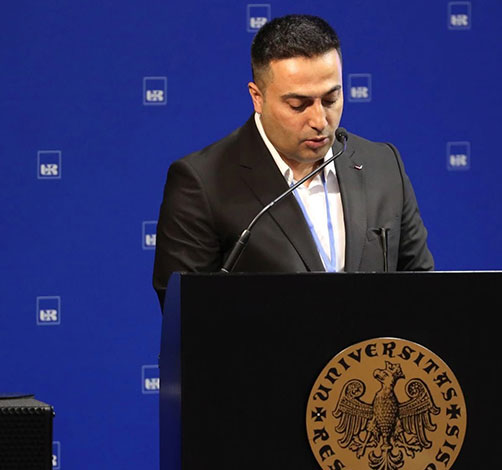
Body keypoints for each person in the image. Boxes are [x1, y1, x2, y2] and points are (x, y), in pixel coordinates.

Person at [152, 14, 433, 309]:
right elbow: (187, 315)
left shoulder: (383, 165)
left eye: (330, 100)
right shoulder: (202, 183)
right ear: (257, 97)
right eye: (299, 105)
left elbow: (424, 293)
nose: (319, 121)